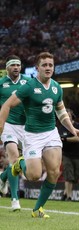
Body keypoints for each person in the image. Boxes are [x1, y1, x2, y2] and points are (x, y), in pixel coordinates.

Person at [0, 52, 79, 218]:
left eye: (50, 65)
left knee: (54, 172)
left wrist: (73, 130)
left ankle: (38, 209)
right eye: (44, 65)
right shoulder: (28, 86)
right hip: (32, 135)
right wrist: (1, 125)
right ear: (37, 68)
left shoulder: (56, 87)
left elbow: (60, 111)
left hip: (51, 133)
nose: (48, 68)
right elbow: (7, 105)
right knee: (34, 175)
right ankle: (18, 165)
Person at [0, 55, 31, 211]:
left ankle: (3, 177)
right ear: (7, 68)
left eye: (18, 65)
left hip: (26, 126)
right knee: (13, 157)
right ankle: (14, 199)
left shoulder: (28, 81)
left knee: (23, 162)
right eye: (13, 65)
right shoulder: (1, 84)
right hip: (8, 125)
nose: (16, 68)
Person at [58, 109, 79, 201]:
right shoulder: (61, 127)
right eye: (65, 115)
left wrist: (65, 139)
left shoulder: (78, 126)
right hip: (66, 154)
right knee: (69, 176)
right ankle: (69, 196)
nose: (67, 117)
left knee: (76, 178)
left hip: (77, 154)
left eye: (68, 115)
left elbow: (78, 138)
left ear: (72, 116)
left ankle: (65, 193)